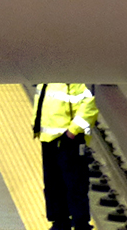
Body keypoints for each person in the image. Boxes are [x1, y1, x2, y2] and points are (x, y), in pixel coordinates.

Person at [34, 83, 100, 230]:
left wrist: (72, 132)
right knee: (53, 185)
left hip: (69, 143)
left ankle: (81, 224)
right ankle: (59, 222)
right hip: (48, 140)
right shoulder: (45, 81)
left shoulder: (73, 82)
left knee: (75, 185)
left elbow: (89, 108)